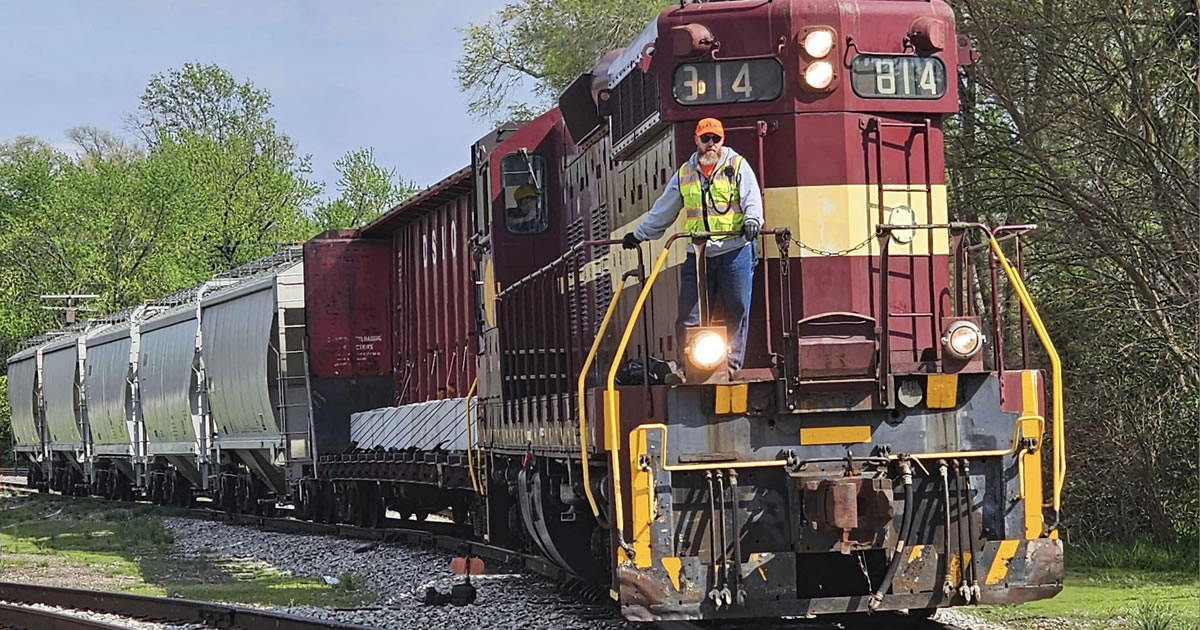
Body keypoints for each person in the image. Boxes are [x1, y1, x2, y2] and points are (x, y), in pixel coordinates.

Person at [622, 118, 763, 371]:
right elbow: (663, 210)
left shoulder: (737, 165)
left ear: (722, 141)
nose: (711, 144)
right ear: (696, 140)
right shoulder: (685, 173)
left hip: (736, 250)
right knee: (689, 315)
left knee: (737, 308)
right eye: (705, 138)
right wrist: (639, 234)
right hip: (698, 254)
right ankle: (690, 366)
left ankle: (731, 366)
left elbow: (751, 197)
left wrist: (753, 220)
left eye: (715, 139)